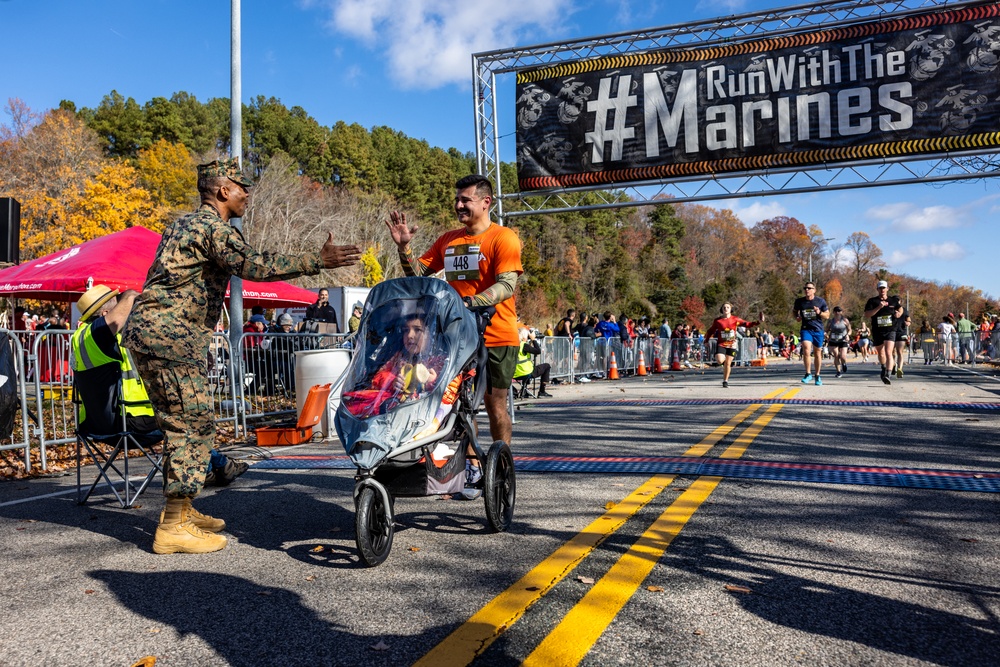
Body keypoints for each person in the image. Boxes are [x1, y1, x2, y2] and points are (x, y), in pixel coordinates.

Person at [122, 157, 361, 555]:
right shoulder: (213, 228)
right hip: (170, 336)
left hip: (157, 333)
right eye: (241, 187)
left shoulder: (181, 224)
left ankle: (184, 509)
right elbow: (253, 264)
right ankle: (173, 526)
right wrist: (317, 260)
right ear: (222, 191)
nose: (247, 194)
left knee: (185, 419)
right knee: (190, 422)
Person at [385, 173, 523, 493]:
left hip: (498, 333)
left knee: (494, 404)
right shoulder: (449, 240)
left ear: (486, 202)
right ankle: (474, 469)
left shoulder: (503, 238)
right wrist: (404, 249)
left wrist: (469, 302)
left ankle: (502, 466)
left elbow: (506, 285)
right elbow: (417, 276)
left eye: (466, 200)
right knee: (460, 405)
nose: (458, 204)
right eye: (457, 199)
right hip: (458, 337)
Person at [72, 285, 248, 492]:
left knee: (183, 418)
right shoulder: (98, 334)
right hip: (129, 421)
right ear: (104, 314)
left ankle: (213, 468)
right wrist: (130, 295)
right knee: (188, 422)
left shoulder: (81, 337)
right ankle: (216, 466)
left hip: (95, 424)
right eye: (118, 305)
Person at [342, 312, 446, 418]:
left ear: (431, 335)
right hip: (392, 415)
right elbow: (377, 379)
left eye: (417, 330)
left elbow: (446, 396)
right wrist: (393, 381)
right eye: (406, 330)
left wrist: (431, 382)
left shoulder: (438, 361)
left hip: (421, 416)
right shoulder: (399, 357)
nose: (410, 335)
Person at [704, 303, 763, 388]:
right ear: (722, 309)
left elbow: (747, 324)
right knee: (720, 360)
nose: (726, 309)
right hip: (722, 344)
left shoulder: (735, 319)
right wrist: (706, 340)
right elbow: (710, 330)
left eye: (728, 307)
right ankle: (721, 361)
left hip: (732, 344)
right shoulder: (718, 321)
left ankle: (725, 381)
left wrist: (758, 322)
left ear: (730, 309)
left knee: (728, 364)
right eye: (724, 307)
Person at [863, 279, 904, 384]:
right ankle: (883, 367)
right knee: (881, 353)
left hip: (890, 330)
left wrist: (899, 314)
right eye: (880, 288)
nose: (882, 290)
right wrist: (879, 307)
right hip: (877, 330)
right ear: (877, 289)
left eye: (884, 288)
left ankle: (888, 374)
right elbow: (867, 314)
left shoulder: (892, 301)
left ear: (887, 289)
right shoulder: (872, 301)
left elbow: (900, 309)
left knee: (888, 352)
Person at [792, 282, 829, 386]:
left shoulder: (820, 301)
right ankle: (808, 373)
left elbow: (827, 315)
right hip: (806, 329)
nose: (807, 290)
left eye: (809, 288)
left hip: (818, 329)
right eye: (805, 288)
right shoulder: (800, 301)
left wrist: (819, 313)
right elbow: (794, 311)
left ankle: (817, 375)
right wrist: (797, 317)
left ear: (814, 290)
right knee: (806, 349)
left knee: (817, 353)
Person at [514, 327, 552, 397]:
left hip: (515, 373)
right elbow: (538, 351)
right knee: (547, 366)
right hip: (525, 372)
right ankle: (542, 391)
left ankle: (524, 391)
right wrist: (533, 339)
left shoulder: (513, 345)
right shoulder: (524, 345)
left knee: (527, 368)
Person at [826, 307, 852, 378]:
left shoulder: (845, 320)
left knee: (843, 356)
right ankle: (838, 372)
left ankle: (844, 364)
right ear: (833, 312)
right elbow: (826, 330)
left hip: (843, 340)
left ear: (841, 312)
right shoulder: (831, 321)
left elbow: (850, 330)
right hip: (833, 340)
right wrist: (826, 335)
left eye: (839, 311)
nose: (837, 312)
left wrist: (847, 335)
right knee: (836, 355)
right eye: (836, 311)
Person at [893, 307, 911, 378]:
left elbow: (908, 319)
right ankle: (894, 364)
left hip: (901, 332)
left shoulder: (904, 310)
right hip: (892, 332)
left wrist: (908, 323)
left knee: (899, 351)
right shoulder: (890, 309)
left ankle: (899, 369)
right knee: (891, 352)